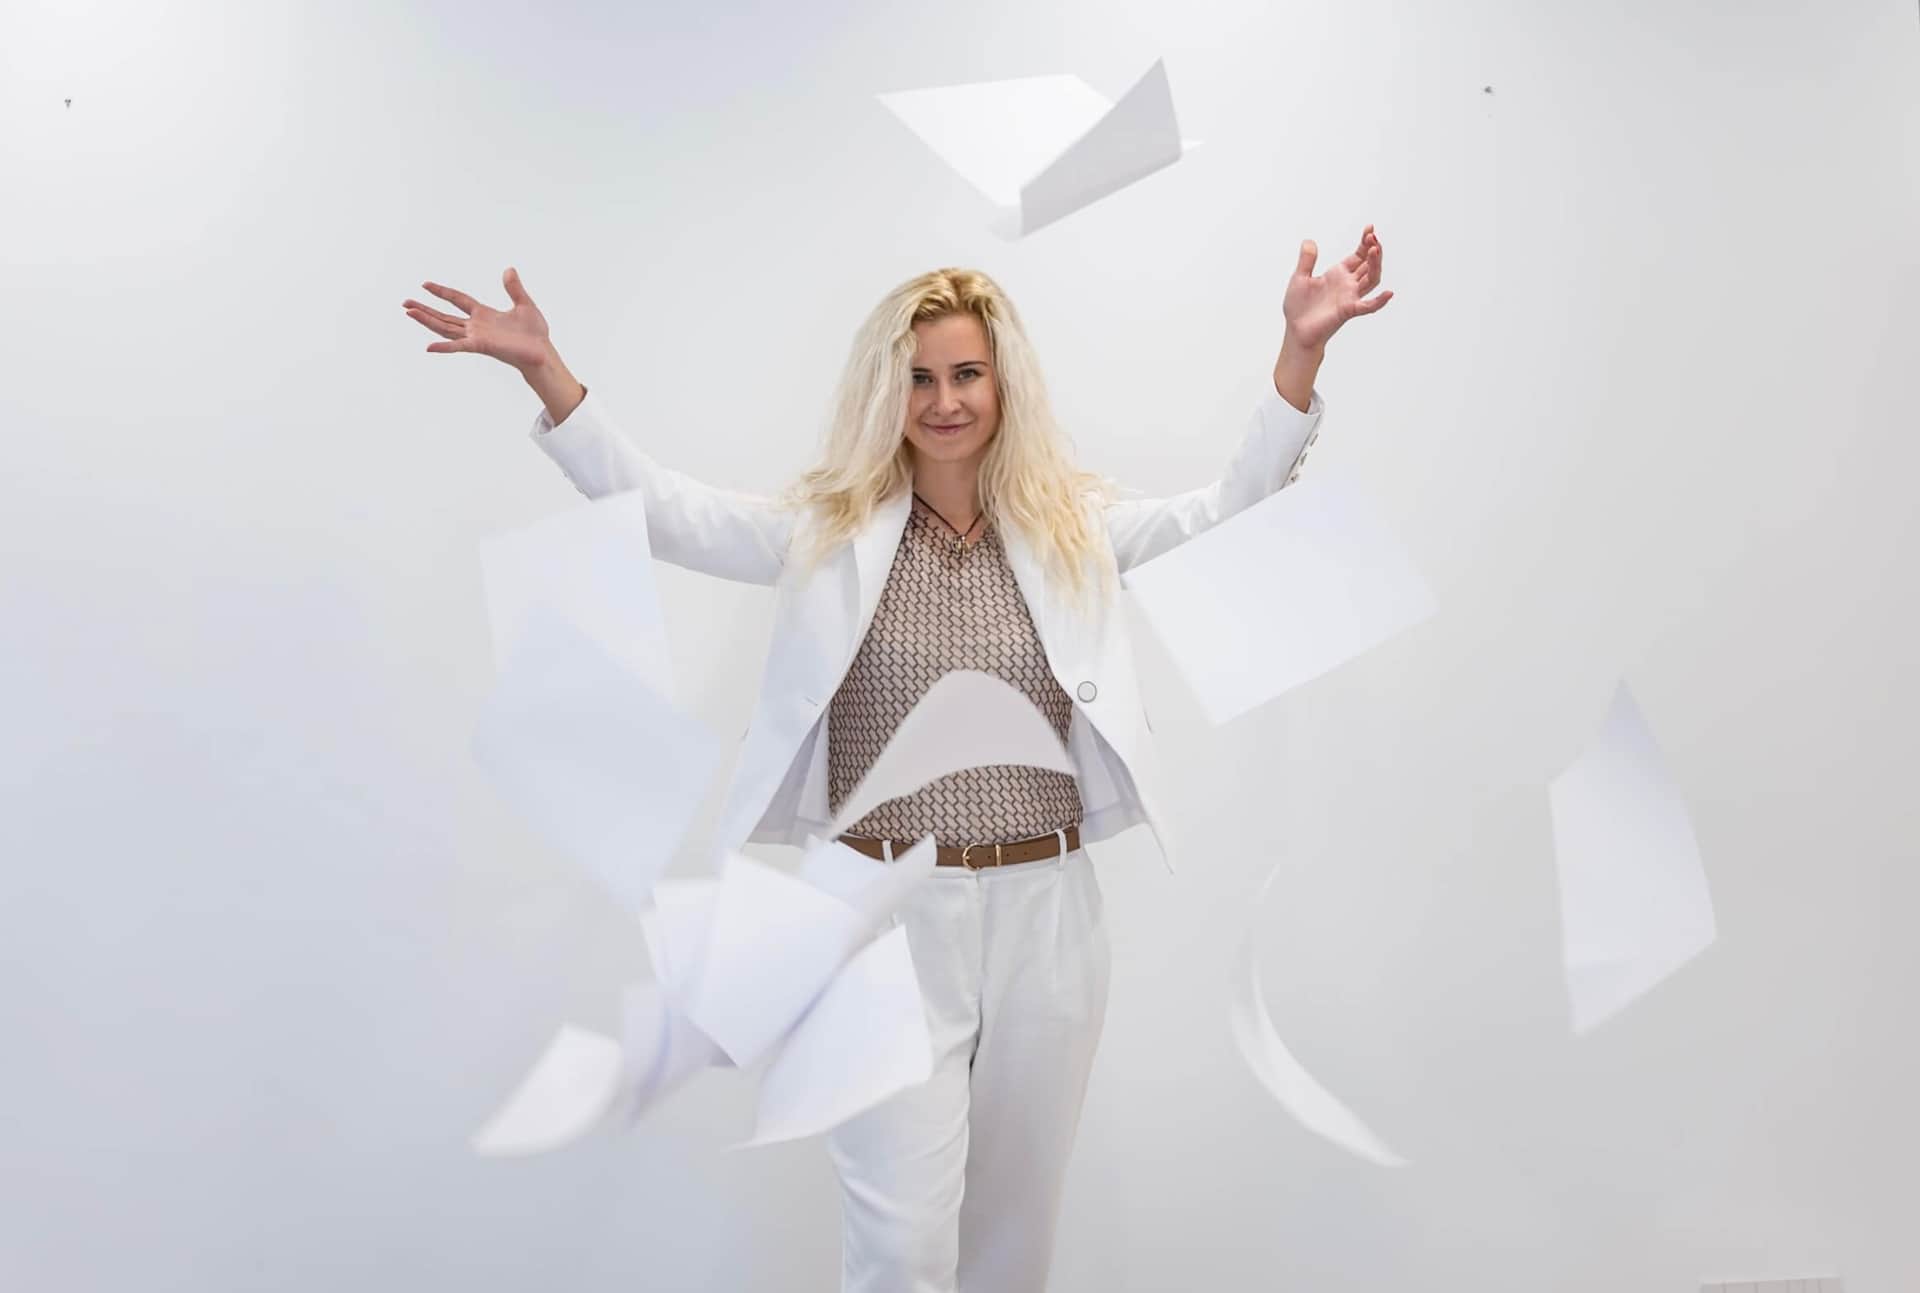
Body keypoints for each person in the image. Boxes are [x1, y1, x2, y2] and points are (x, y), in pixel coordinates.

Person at [402, 232, 1390, 1291]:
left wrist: (1299, 357)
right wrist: (549, 374)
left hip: (1046, 910)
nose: (944, 399)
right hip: (878, 917)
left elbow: (1227, 510)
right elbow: (667, 513)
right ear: (886, 390)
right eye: (918, 378)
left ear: (1003, 383)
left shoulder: (1073, 528)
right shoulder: (828, 529)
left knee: (1013, 1241)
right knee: (901, 1246)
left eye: (967, 373)